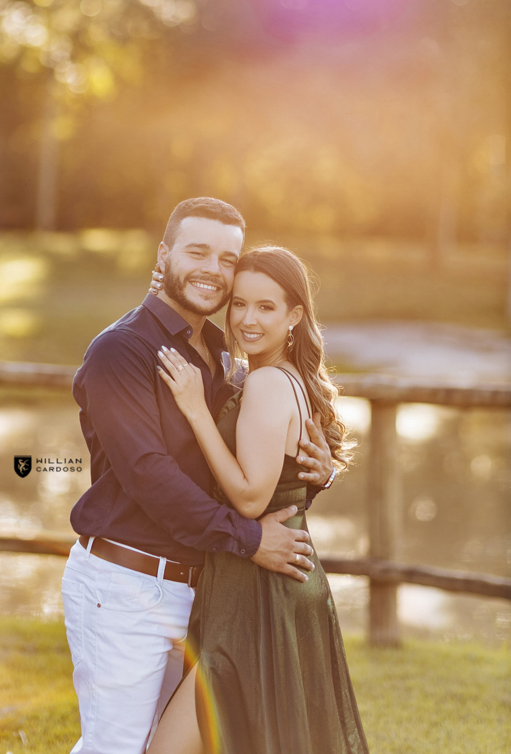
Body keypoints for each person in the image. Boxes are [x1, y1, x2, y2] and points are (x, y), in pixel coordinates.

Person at [61, 198, 336, 754]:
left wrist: (311, 471)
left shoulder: (219, 353)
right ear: (164, 255)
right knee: (115, 746)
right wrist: (252, 540)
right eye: (198, 251)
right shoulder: (122, 352)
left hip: (201, 587)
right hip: (125, 585)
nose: (213, 268)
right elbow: (150, 477)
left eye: (227, 258)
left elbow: (240, 464)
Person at [148, 245, 368, 754]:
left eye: (266, 307)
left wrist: (196, 411)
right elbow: (291, 476)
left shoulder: (268, 381)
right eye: (240, 304)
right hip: (270, 584)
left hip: (260, 593)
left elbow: (250, 499)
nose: (247, 319)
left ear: (294, 316)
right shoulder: (276, 376)